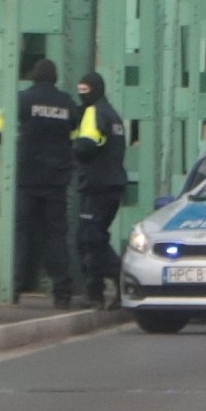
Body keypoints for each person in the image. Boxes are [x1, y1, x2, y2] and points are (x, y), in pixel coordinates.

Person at [13, 59, 80, 309]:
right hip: (56, 180)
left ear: (33, 77)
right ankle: (62, 291)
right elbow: (79, 133)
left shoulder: (21, 99)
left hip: (26, 178)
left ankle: (15, 287)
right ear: (55, 78)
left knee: (22, 233)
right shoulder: (66, 102)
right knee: (56, 235)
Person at [74, 72, 127, 310]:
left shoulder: (94, 113)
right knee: (95, 236)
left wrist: (71, 143)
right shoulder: (113, 115)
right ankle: (108, 286)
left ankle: (106, 285)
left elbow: (85, 147)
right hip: (113, 184)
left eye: (85, 91)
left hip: (97, 185)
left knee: (89, 237)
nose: (82, 96)